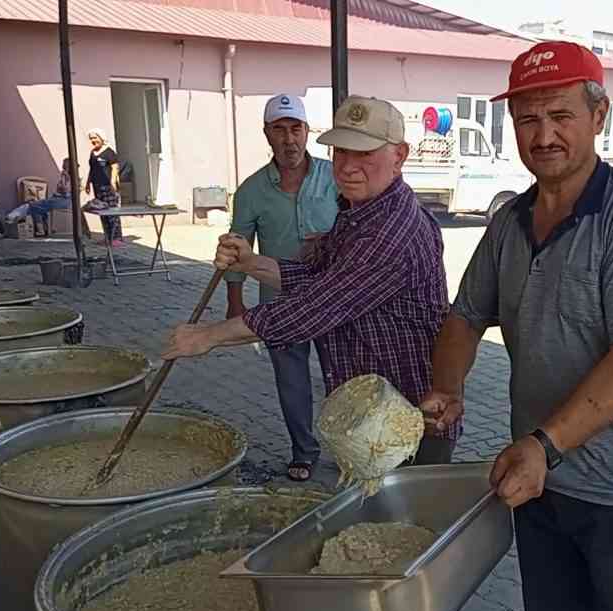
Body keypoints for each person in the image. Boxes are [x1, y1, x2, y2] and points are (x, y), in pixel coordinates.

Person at [421, 42, 613, 611]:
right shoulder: (510, 221)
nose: (543, 135)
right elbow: (465, 316)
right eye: (527, 119)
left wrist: (545, 444)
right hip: (540, 482)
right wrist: (449, 387)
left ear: (598, 117)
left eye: (560, 115)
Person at [162, 96, 459, 466]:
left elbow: (315, 308)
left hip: (410, 422)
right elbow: (317, 275)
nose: (347, 167)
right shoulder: (359, 210)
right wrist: (251, 261)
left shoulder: (392, 231)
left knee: (404, 520)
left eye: (364, 153)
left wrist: (209, 336)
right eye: (340, 152)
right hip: (371, 417)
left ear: (399, 155)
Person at [225, 94, 339, 481]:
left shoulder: (335, 176)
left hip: (334, 299)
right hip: (280, 300)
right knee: (291, 382)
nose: (289, 139)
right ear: (267, 135)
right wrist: (235, 301)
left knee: (344, 377)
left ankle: (349, 449)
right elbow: (236, 249)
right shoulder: (252, 190)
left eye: (296, 129)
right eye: (280, 130)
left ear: (308, 132)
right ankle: (303, 451)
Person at [84, 128, 124, 247]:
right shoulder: (93, 153)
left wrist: (113, 183)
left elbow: (115, 168)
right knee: (102, 212)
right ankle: (107, 237)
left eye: (95, 138)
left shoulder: (109, 152)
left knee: (112, 212)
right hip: (97, 187)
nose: (93, 140)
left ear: (101, 138)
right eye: (91, 139)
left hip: (108, 187)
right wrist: (87, 183)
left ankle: (117, 238)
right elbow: (92, 169)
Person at [27, 158, 74, 238]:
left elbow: (65, 191)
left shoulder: (69, 178)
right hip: (58, 200)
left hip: (61, 201)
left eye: (64, 164)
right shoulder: (68, 177)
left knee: (33, 206)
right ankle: (43, 229)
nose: (62, 166)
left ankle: (40, 230)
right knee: (38, 207)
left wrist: (63, 177)